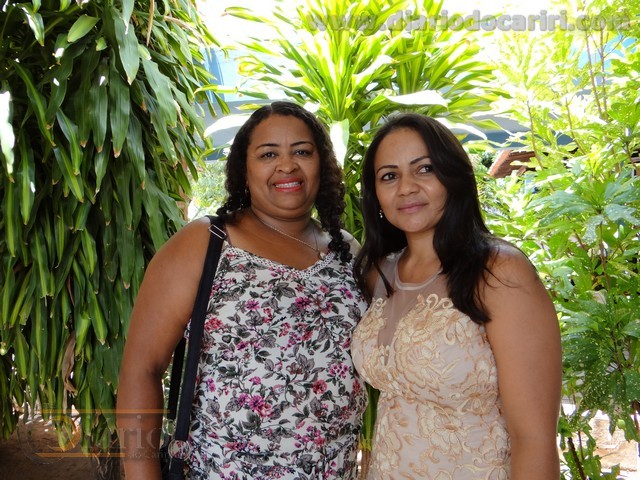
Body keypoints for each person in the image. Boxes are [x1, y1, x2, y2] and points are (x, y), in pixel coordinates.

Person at [117, 101, 368, 479]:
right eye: (268, 154)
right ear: (244, 171)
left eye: (302, 152)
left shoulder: (347, 251)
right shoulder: (206, 242)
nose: (287, 165)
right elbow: (141, 370)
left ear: (323, 165)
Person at [352, 113, 562, 479]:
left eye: (425, 169)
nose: (406, 188)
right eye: (389, 176)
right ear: (376, 195)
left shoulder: (498, 272)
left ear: (454, 176)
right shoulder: (379, 273)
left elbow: (534, 439)